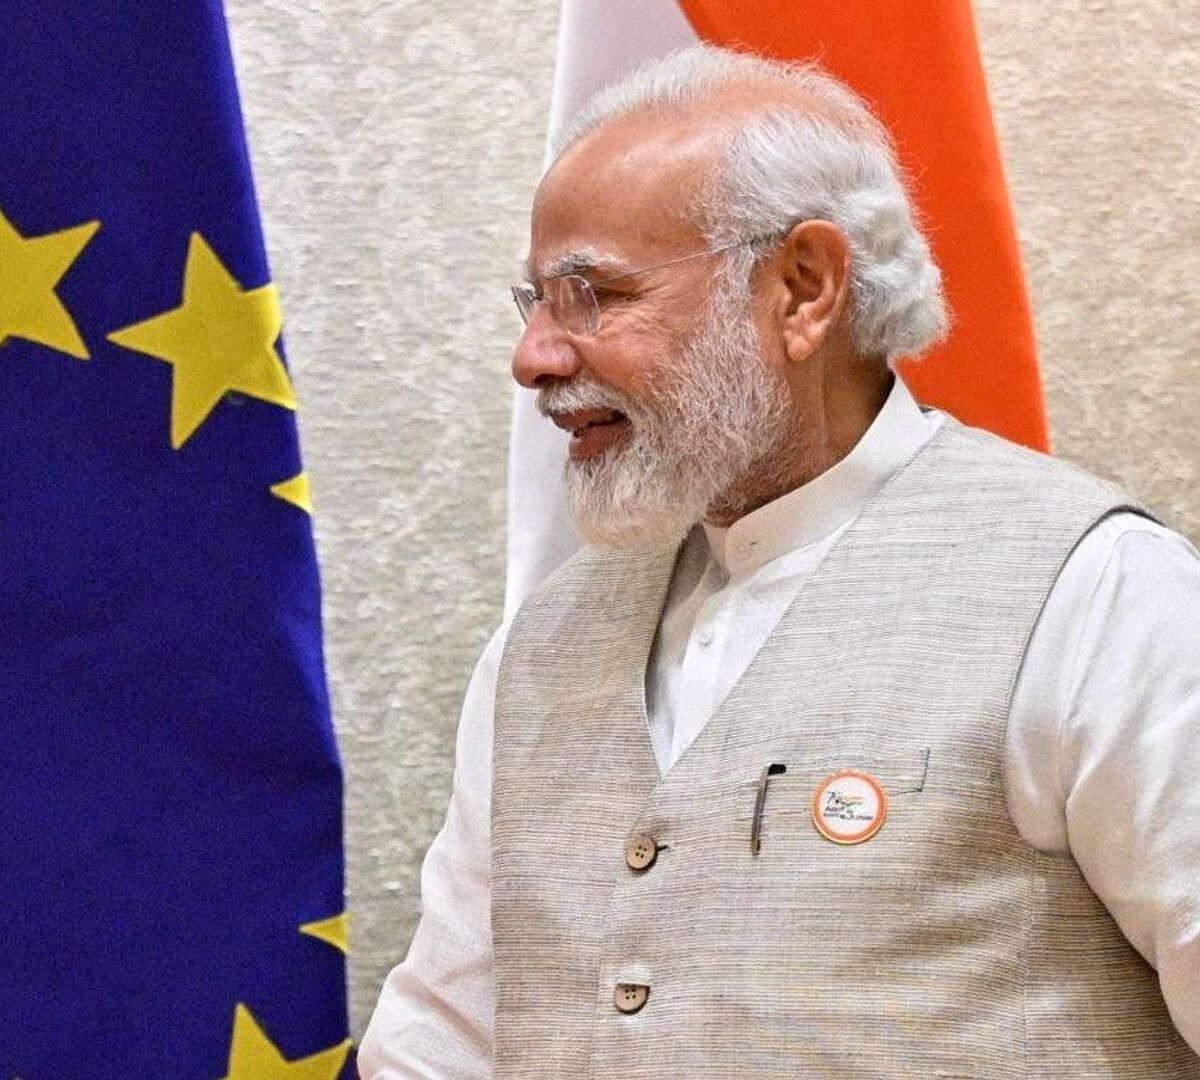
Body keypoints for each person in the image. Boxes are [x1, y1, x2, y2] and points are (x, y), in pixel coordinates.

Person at [362, 45, 1200, 1077]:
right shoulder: (542, 644)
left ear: (803, 290)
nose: (533, 356)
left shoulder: (1100, 595)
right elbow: (443, 1038)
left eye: (594, 296)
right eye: (533, 302)